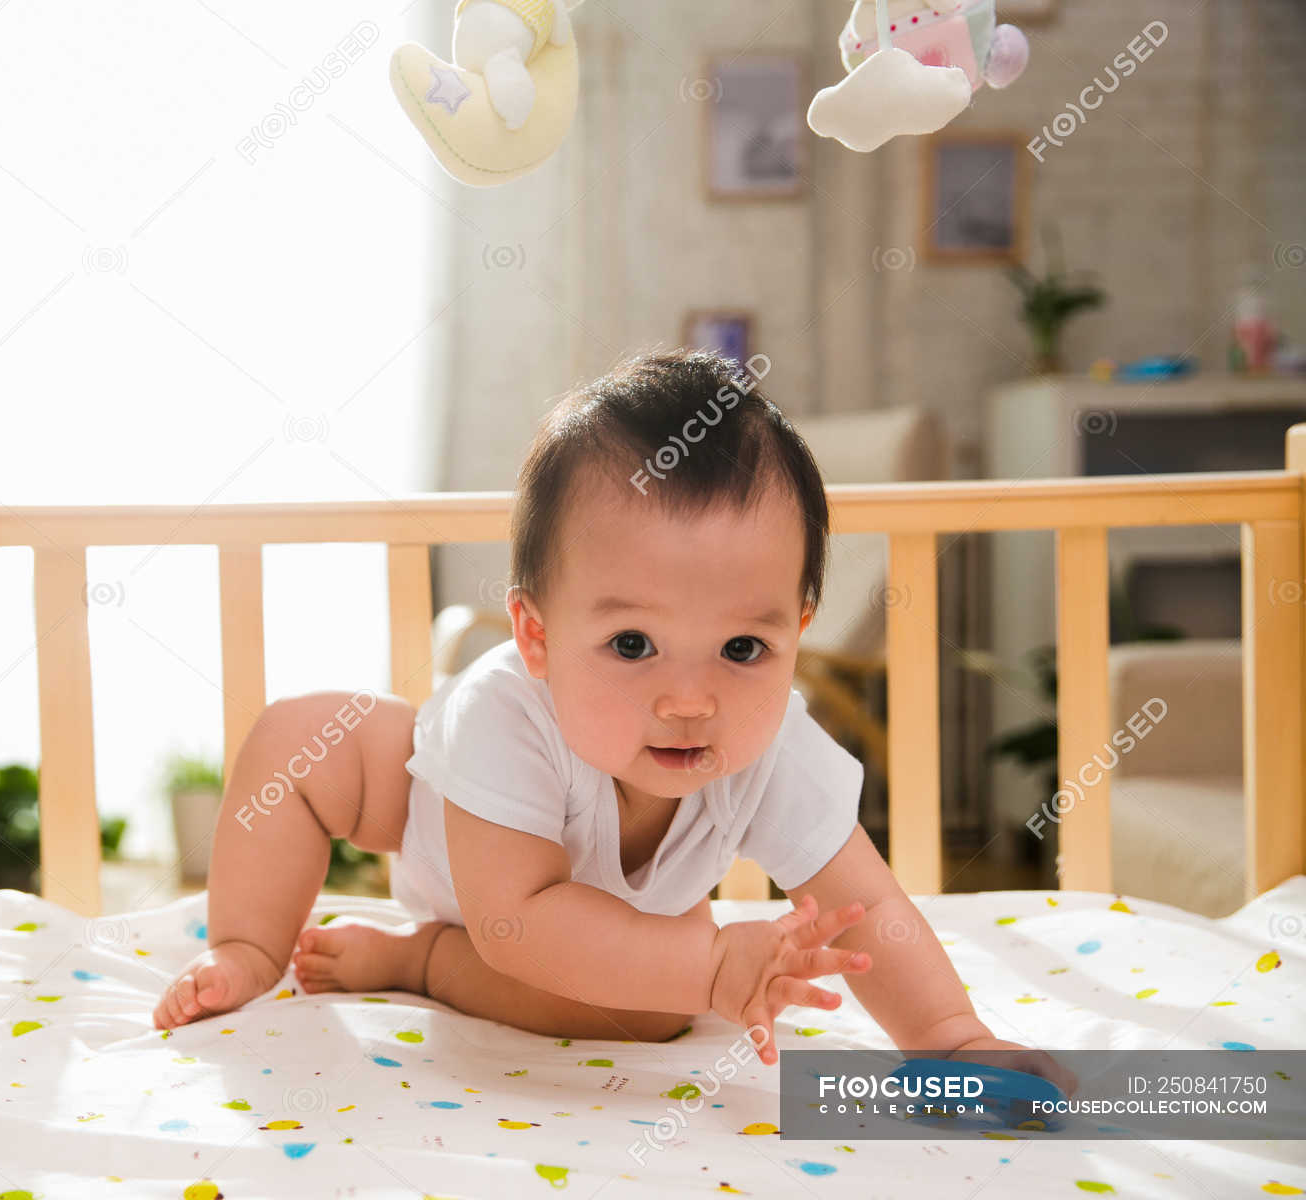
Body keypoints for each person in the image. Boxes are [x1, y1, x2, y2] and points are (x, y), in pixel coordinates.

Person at [153, 349, 1061, 1084]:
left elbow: (868, 906)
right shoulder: (502, 712)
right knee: (301, 738)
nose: (689, 700)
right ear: (535, 636)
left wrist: (951, 1039)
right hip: (456, 844)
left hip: (554, 940)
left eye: (744, 650)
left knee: (645, 1010)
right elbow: (513, 923)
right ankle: (248, 942)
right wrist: (710, 962)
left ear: (796, 636)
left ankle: (418, 961)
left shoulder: (774, 743)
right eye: (632, 645)